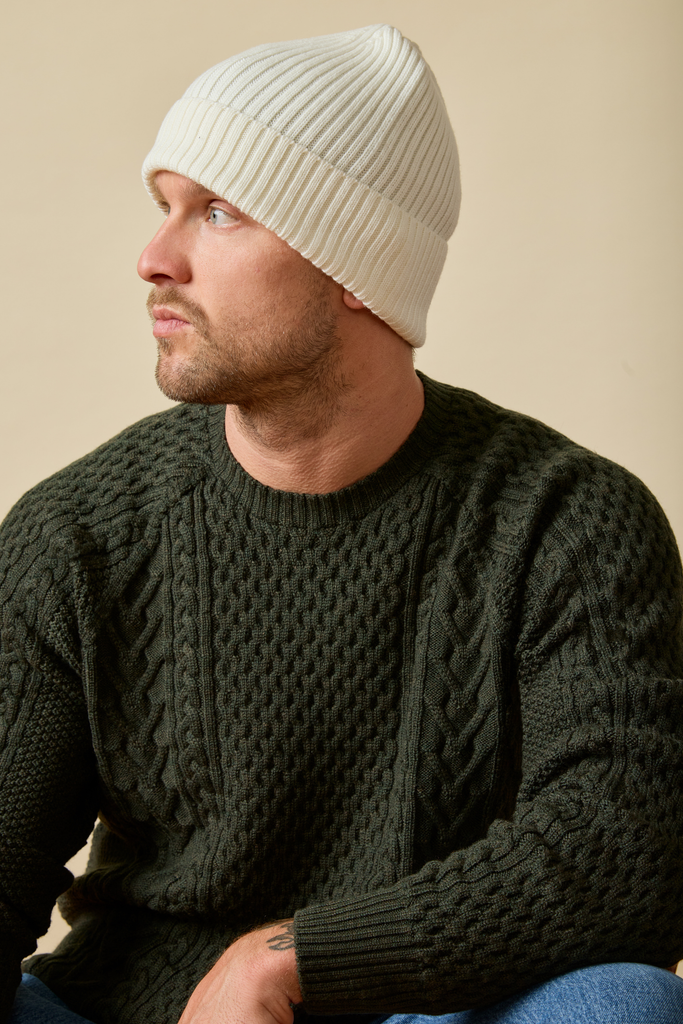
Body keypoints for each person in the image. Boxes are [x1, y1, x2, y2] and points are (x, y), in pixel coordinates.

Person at [1, 23, 682, 1024]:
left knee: (617, 1005)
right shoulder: (79, 535)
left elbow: (629, 847)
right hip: (128, 1014)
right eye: (163, 207)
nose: (154, 258)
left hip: (419, 1007)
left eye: (219, 212)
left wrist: (284, 962)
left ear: (357, 265)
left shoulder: (562, 521)